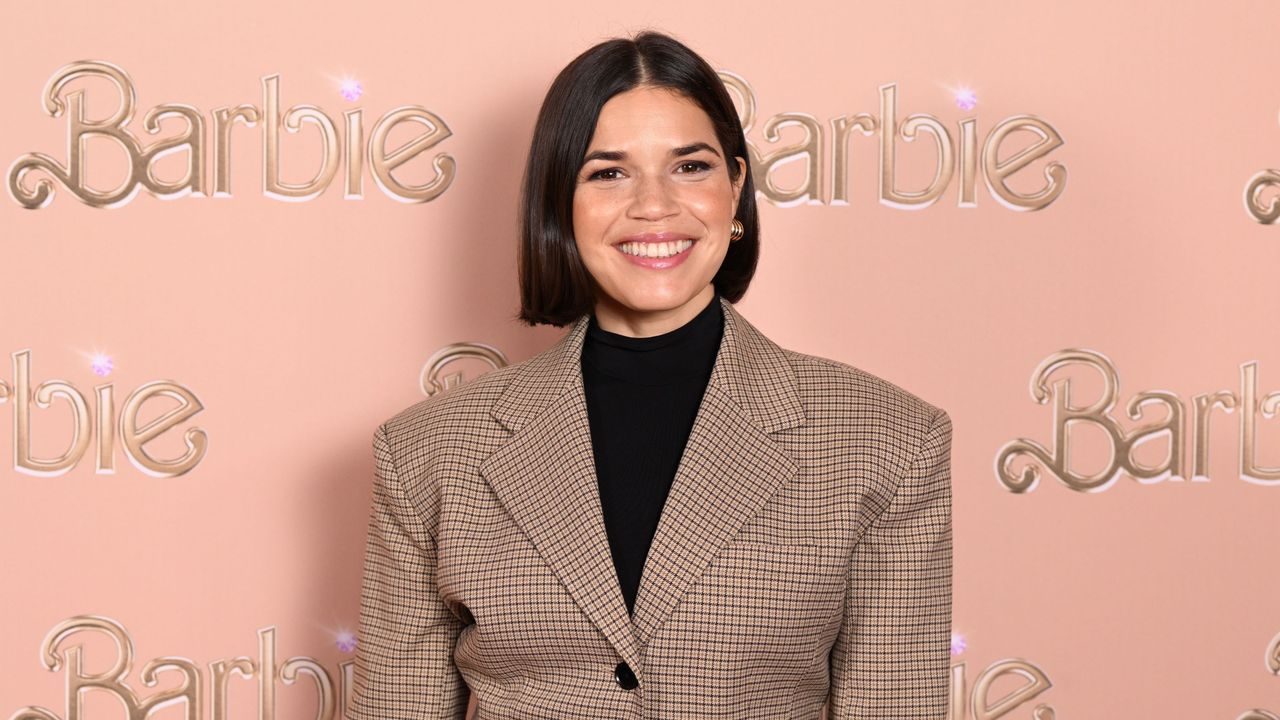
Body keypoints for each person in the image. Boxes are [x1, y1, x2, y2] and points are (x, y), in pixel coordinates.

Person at [349, 29, 953, 720]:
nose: (654, 205)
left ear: (736, 190)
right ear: (559, 205)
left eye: (690, 167)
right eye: (608, 172)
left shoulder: (890, 440)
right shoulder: (426, 451)